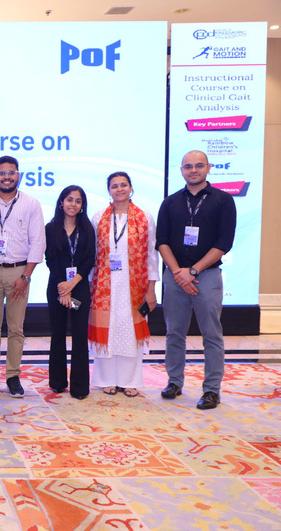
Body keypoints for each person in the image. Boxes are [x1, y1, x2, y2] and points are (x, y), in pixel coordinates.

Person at [156, 150, 236, 410]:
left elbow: (224, 243)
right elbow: (162, 241)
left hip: (207, 276)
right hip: (175, 276)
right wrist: (179, 273)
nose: (193, 170)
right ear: (181, 170)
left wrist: (192, 271)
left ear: (208, 168)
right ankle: (174, 382)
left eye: (198, 165)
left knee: (211, 335)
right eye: (188, 166)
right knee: (174, 333)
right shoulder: (170, 202)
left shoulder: (223, 200)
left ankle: (212, 390)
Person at [0, 156, 45, 397]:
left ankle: (13, 375)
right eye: (2, 173)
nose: (7, 177)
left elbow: (38, 242)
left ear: (19, 176)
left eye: (11, 172)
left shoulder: (31, 204)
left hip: (19, 272)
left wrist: (25, 277)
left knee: (16, 328)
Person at [89, 172, 159, 397]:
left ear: (131, 188)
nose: (119, 189)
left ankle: (130, 381)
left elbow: (151, 255)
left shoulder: (145, 217)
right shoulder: (98, 217)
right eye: (114, 186)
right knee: (107, 331)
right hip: (104, 286)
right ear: (108, 190)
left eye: (123, 185)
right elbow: (92, 254)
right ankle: (106, 379)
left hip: (134, 286)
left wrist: (151, 288)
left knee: (130, 331)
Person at [45, 186, 95, 399]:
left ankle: (79, 387)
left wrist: (72, 284)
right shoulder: (50, 228)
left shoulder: (87, 228)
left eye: (78, 201)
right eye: (69, 199)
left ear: (82, 205)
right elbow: (50, 259)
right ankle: (57, 382)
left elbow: (89, 259)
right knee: (57, 333)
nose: (73, 204)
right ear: (61, 202)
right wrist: (62, 288)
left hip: (79, 287)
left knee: (79, 335)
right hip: (57, 287)